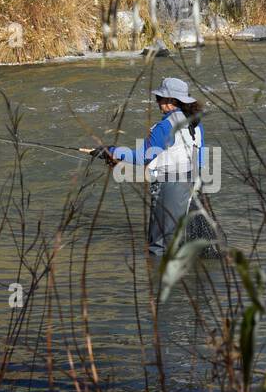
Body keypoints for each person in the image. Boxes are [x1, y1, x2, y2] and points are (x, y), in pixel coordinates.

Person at [82, 77, 205, 257]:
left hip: (170, 188)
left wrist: (111, 151)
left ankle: (157, 282)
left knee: (159, 247)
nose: (157, 102)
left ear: (170, 101)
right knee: (178, 242)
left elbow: (141, 158)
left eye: (159, 98)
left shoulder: (164, 126)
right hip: (192, 184)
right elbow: (199, 157)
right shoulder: (195, 123)